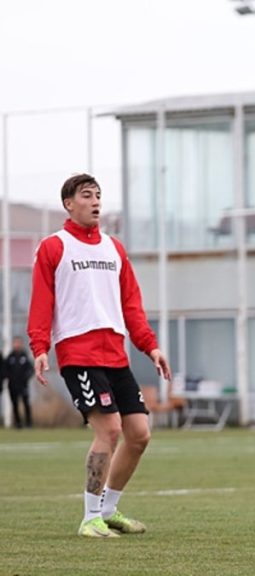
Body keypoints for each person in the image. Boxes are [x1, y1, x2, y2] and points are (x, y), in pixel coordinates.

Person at [28, 173, 171, 538]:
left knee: (139, 434)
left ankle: (108, 511)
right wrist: (40, 347)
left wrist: (149, 345)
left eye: (98, 196)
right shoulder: (53, 247)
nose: (95, 203)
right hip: (79, 353)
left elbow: (131, 305)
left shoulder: (114, 248)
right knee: (109, 430)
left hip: (116, 354)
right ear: (68, 203)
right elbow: (42, 303)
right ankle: (89, 517)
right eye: (87, 196)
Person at [5, 336, 35, 429]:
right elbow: (5, 370)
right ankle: (18, 424)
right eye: (15, 343)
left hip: (23, 385)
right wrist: (9, 377)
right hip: (12, 385)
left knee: (26, 403)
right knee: (15, 404)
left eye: (19, 343)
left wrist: (26, 377)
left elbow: (31, 369)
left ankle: (29, 423)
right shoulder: (10, 357)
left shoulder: (24, 356)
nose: (17, 345)